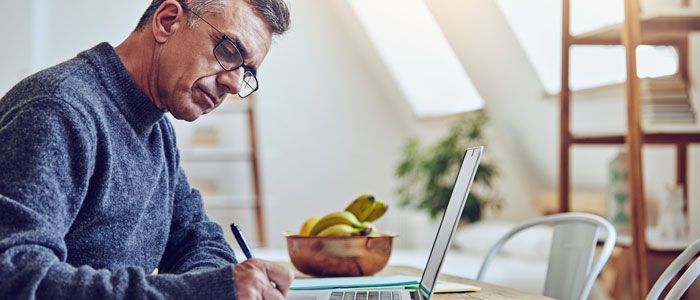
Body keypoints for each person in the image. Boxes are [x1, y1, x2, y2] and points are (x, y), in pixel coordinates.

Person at [0, 0, 292, 299]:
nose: (234, 83)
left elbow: (197, 240)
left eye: (247, 72)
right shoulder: (57, 110)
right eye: (228, 51)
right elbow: (14, 276)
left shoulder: (156, 129)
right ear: (167, 22)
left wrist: (214, 288)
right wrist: (198, 292)